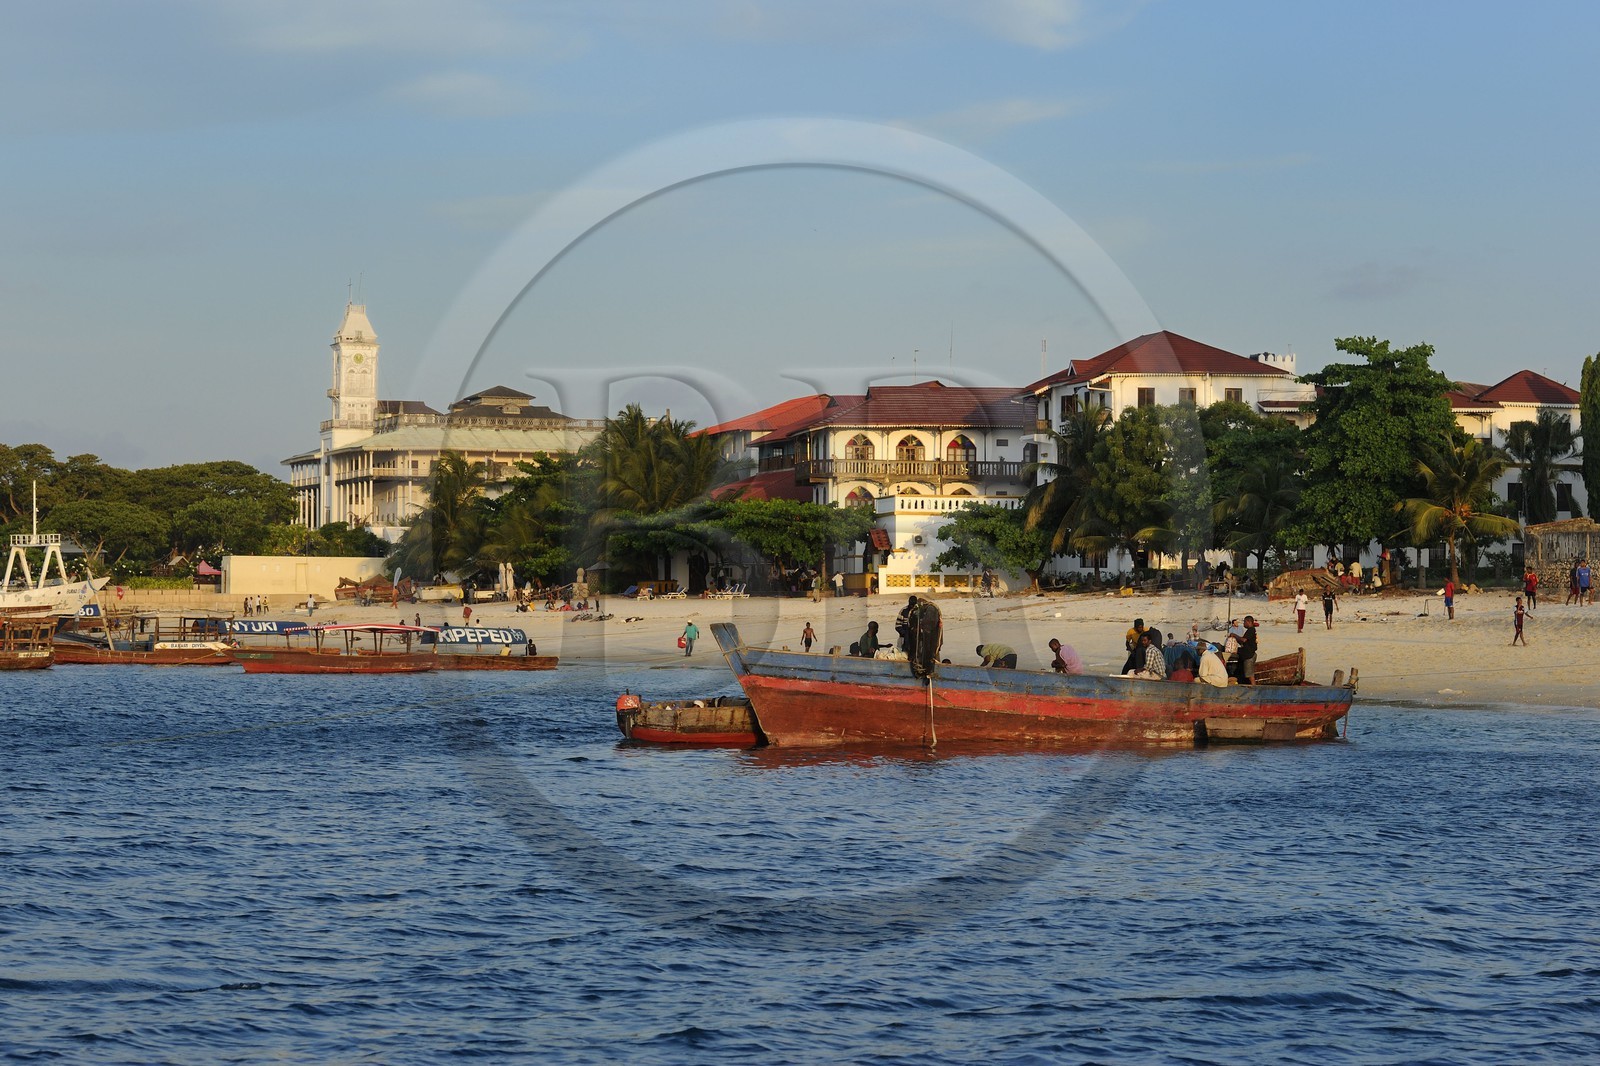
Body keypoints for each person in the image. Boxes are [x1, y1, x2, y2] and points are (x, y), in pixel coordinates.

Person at [1236, 616, 1259, 684]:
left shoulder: (1251, 630)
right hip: (1248, 654)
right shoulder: (1250, 630)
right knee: (1247, 674)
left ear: (1248, 622)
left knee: (1250, 675)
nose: (1243, 624)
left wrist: (1234, 635)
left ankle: (1253, 688)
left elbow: (1243, 640)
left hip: (1249, 656)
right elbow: (1243, 642)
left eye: (1244, 622)